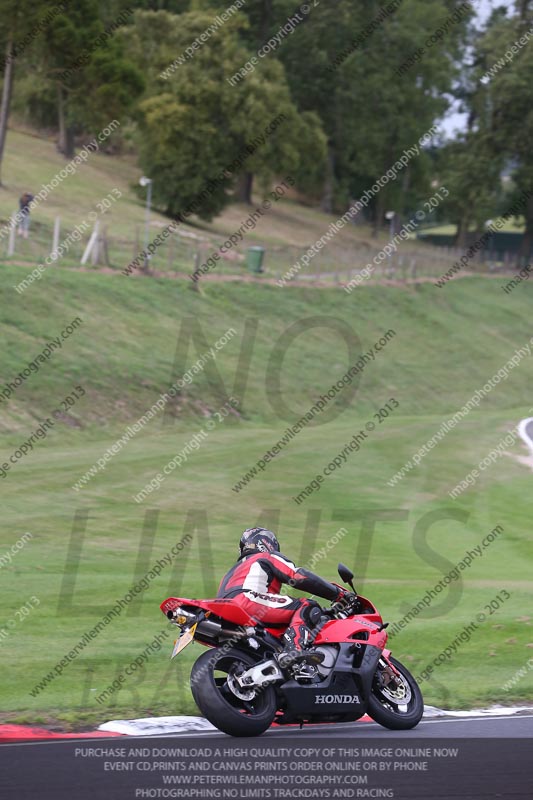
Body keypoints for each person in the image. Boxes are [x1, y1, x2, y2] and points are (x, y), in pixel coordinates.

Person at [217, 527, 352, 667]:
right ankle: (293, 651)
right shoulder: (266, 556)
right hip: (247, 600)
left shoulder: (231, 572)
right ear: (266, 543)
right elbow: (298, 576)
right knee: (306, 606)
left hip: (225, 611)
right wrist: (338, 594)